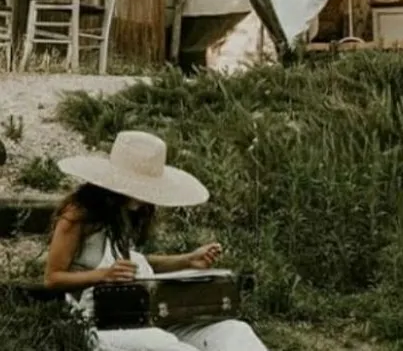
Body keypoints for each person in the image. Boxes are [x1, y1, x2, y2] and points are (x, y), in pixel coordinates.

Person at [45, 130, 268, 351]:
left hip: (146, 314)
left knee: (234, 332)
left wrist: (187, 261)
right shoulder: (78, 216)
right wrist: (103, 275)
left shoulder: (130, 211)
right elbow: (53, 278)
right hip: (103, 322)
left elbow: (134, 265)